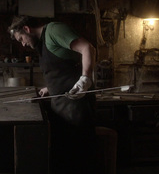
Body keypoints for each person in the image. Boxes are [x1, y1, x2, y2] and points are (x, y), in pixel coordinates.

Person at [8, 15, 96, 174]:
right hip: (60, 105)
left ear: (27, 29)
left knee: (79, 156)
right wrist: (50, 87)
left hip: (76, 105)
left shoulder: (54, 30)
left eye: (21, 38)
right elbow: (61, 70)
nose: (23, 44)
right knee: (64, 156)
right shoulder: (42, 44)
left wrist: (85, 78)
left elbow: (87, 48)